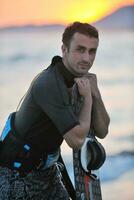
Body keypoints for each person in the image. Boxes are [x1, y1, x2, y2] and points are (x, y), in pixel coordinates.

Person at [0, 22, 110, 200]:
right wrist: (88, 98)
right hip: (17, 177)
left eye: (92, 51)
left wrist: (95, 93)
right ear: (64, 50)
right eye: (80, 50)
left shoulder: (77, 81)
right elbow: (76, 140)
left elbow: (102, 130)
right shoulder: (49, 84)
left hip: (48, 172)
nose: (87, 58)